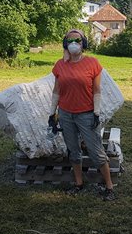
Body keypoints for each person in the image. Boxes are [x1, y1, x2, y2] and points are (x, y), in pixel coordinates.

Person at [49, 29, 115, 201]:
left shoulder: (93, 63)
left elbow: (97, 91)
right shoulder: (60, 65)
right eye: (69, 40)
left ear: (83, 43)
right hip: (65, 114)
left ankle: (109, 187)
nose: (73, 43)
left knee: (96, 151)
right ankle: (78, 183)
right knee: (73, 151)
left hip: (86, 115)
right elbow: (56, 91)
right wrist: (51, 114)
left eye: (77, 40)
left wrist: (96, 113)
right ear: (65, 44)